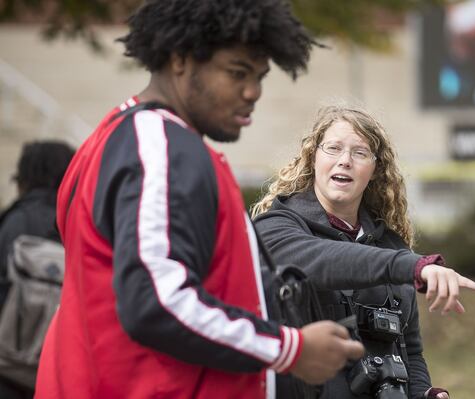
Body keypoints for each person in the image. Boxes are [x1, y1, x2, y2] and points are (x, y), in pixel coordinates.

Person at [35, 1, 364, 398]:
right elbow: (156, 302)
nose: (253, 92)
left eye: (260, 76)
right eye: (237, 73)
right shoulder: (161, 146)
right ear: (180, 60)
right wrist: (291, 349)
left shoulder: (114, 135)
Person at [252, 104, 475, 398]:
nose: (344, 161)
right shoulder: (275, 228)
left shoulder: (390, 246)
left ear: (375, 170)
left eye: (359, 153)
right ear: (313, 159)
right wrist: (414, 267)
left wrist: (425, 394)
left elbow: (409, 352)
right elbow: (325, 260)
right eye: (333, 148)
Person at [0, 140, 74, 399]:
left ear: (23, 180)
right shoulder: (78, 225)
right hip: (57, 375)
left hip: (6, 371)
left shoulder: (12, 222)